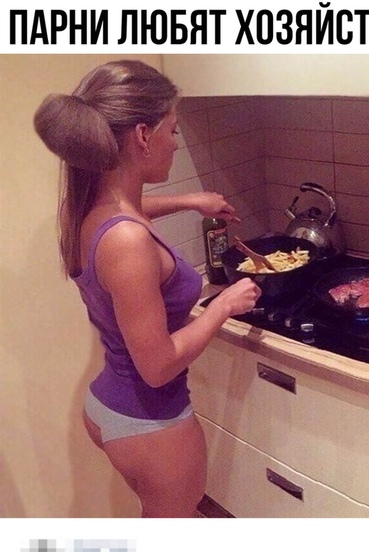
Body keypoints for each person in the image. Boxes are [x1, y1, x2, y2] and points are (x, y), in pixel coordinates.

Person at [33, 60, 261, 518]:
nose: (175, 143)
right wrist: (223, 305)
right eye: (172, 130)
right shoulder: (128, 243)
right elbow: (157, 367)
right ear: (142, 135)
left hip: (110, 405)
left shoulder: (82, 209)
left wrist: (189, 200)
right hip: (150, 422)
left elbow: (129, 210)